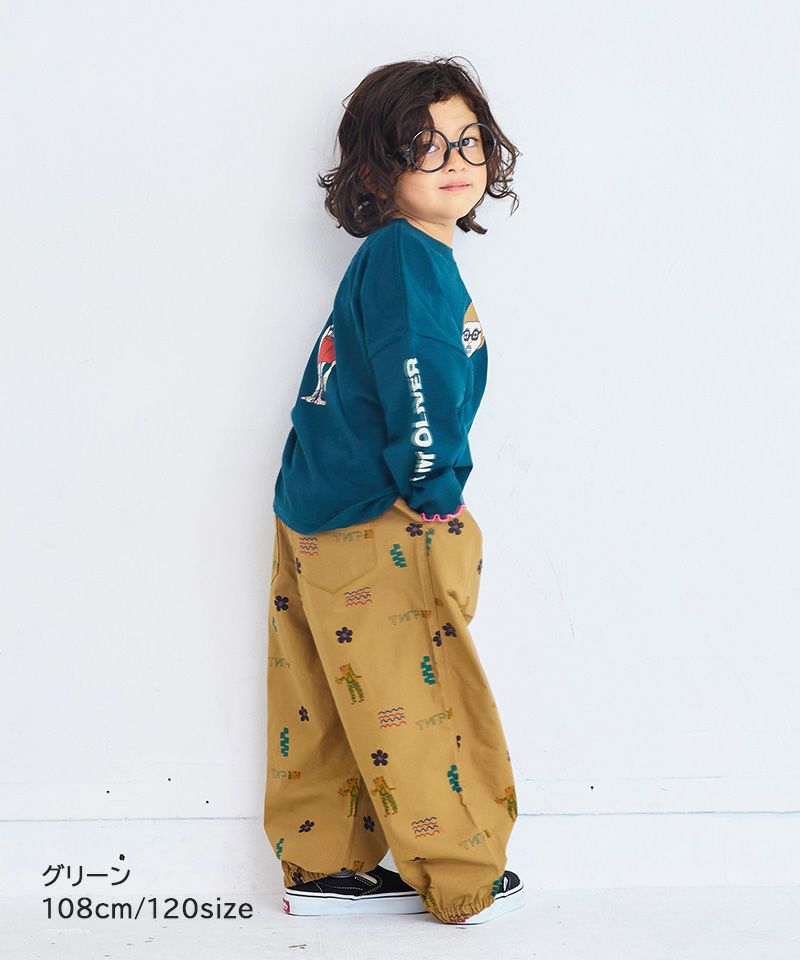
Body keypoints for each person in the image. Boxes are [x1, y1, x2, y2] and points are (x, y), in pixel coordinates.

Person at [263, 56, 524, 925]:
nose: (455, 159)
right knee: (420, 696)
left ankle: (322, 866)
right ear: (376, 171)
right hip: (384, 512)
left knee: (325, 693)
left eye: (469, 140)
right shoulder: (409, 259)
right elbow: (419, 377)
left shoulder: (393, 259)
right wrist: (435, 488)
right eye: (424, 145)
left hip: (313, 503)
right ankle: (459, 874)